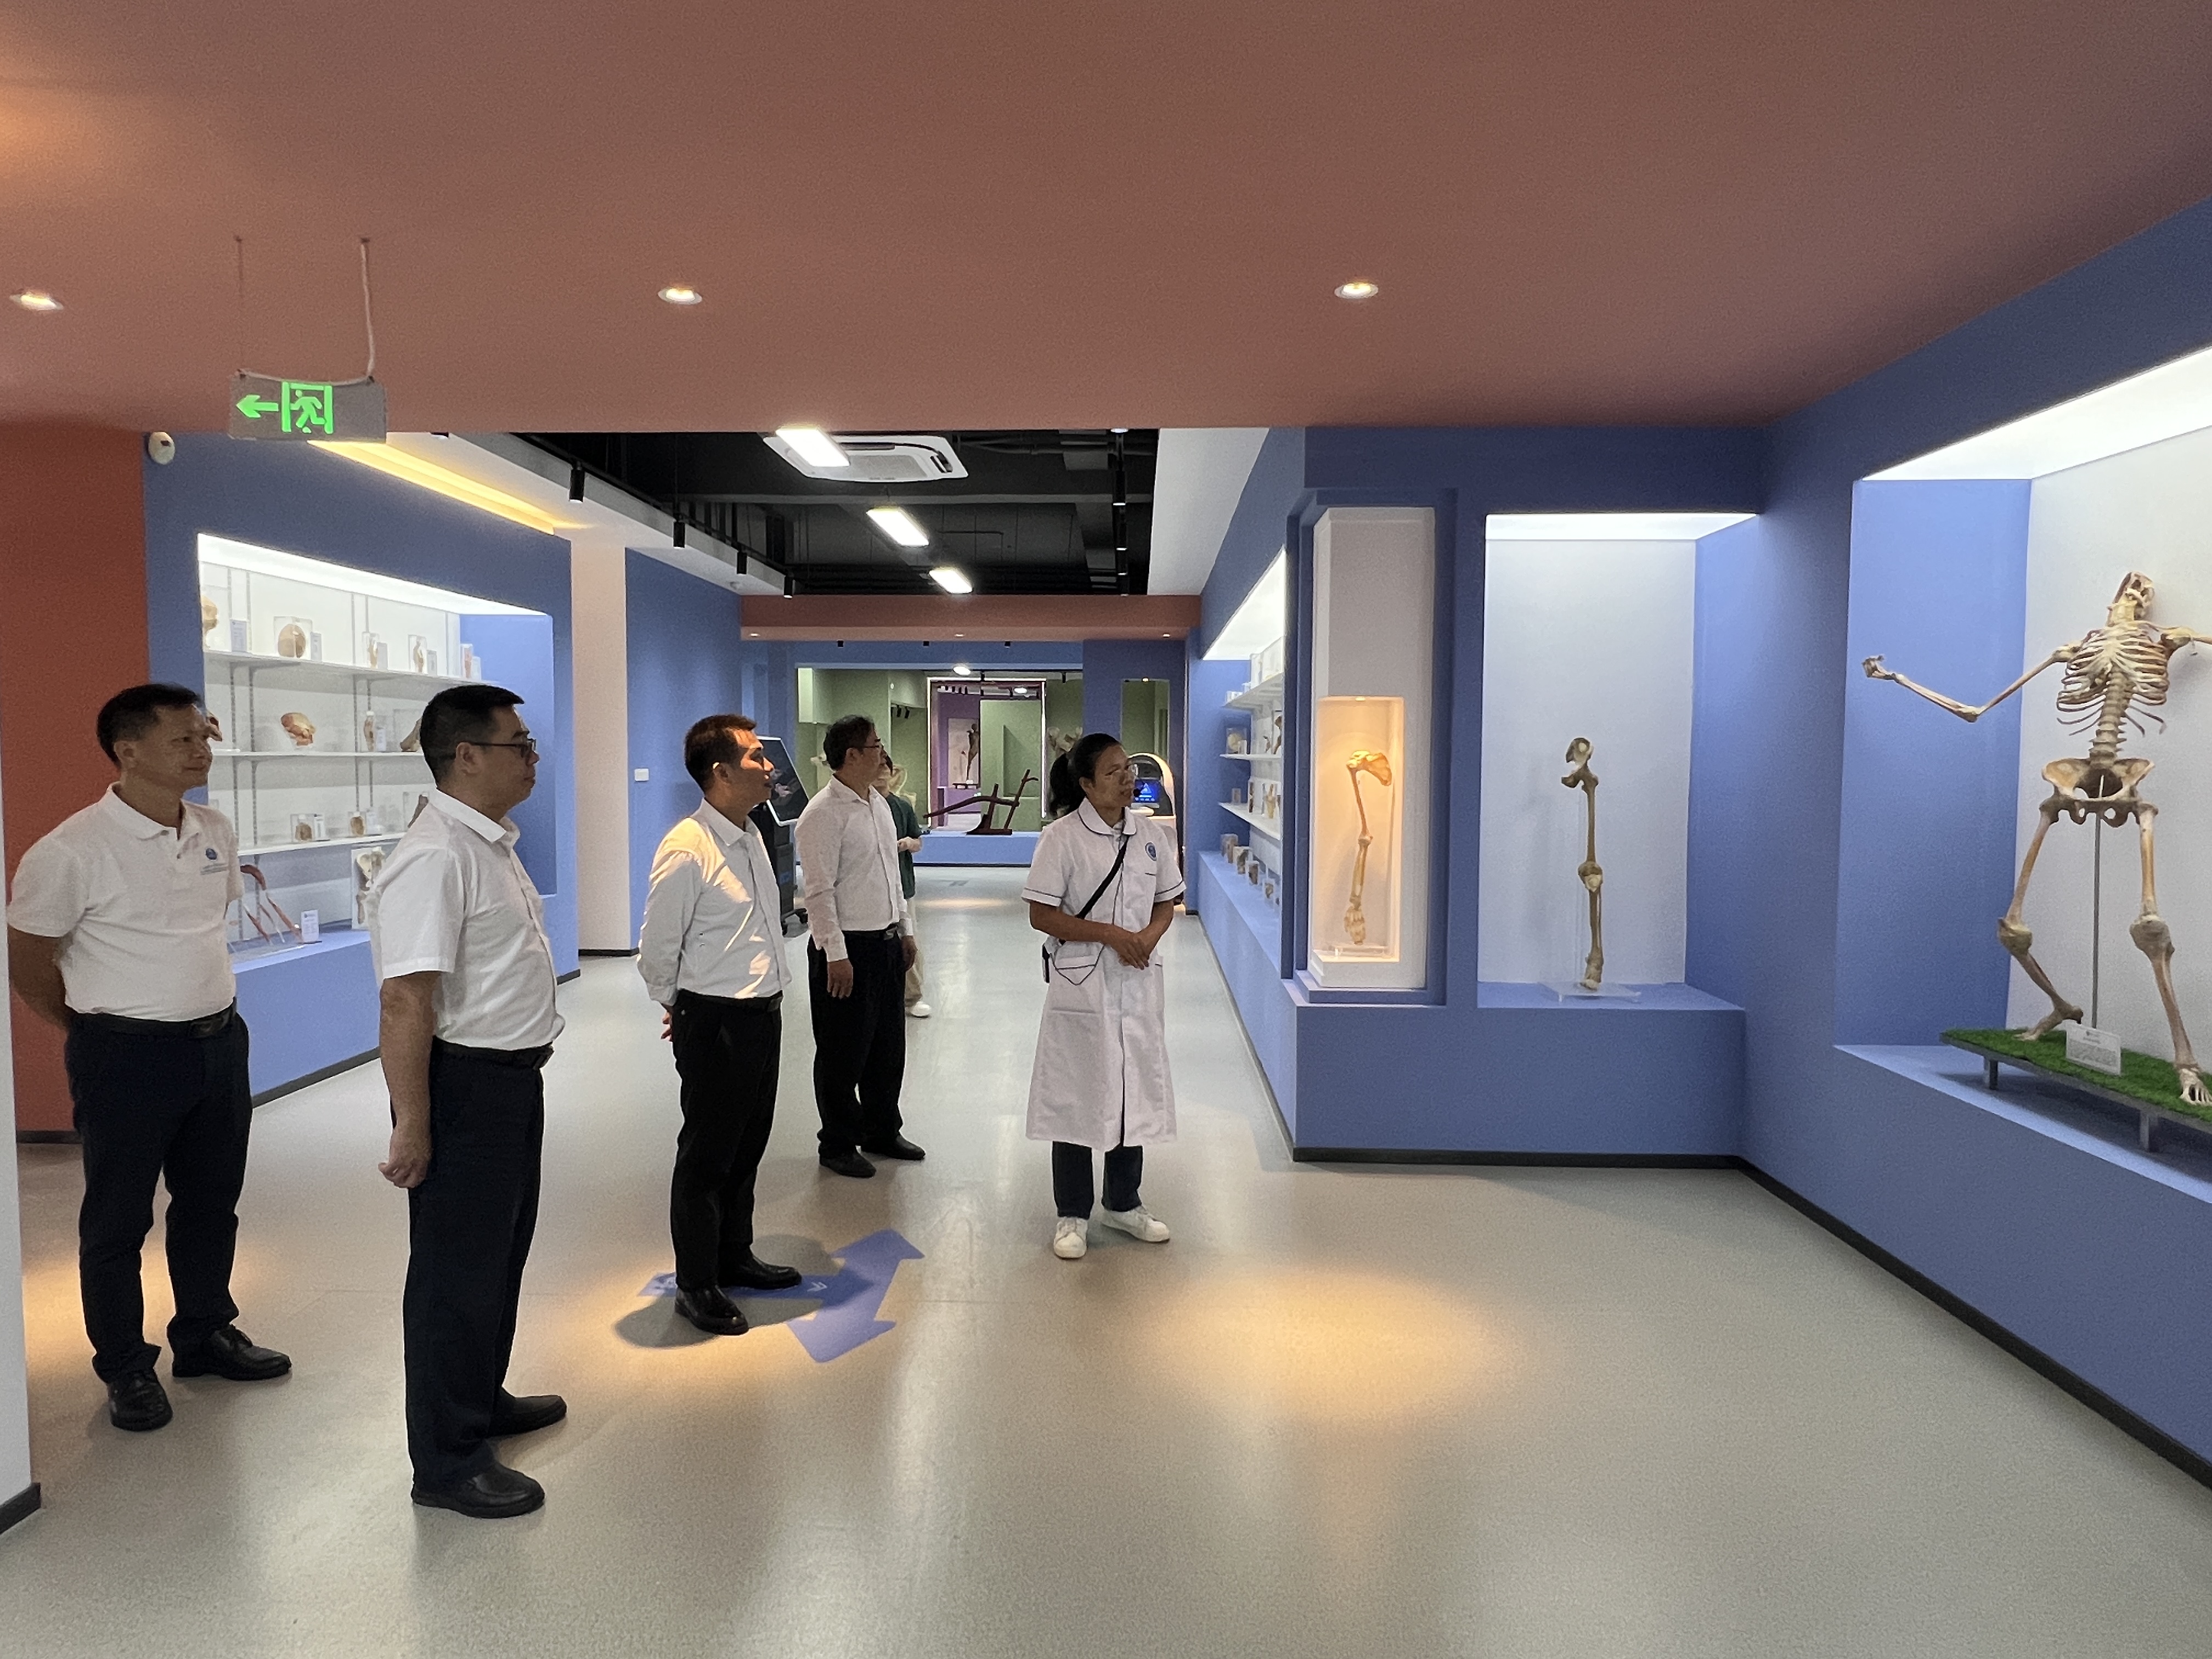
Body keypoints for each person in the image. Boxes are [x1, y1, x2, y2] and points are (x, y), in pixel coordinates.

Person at [5, 684, 290, 1432]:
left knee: (210, 1202)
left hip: (218, 1042)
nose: (201, 751)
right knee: (118, 1219)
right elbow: (29, 959)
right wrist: (89, 1028)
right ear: (129, 752)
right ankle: (126, 1366)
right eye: (183, 740)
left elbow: (203, 926)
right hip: (125, 1054)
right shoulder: (70, 850)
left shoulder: (213, 828)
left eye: (204, 736)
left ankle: (205, 1332)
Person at [370, 684, 566, 1520]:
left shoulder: (488, 842)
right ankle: (446, 1461)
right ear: (466, 756)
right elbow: (406, 999)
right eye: (519, 745)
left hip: (511, 1080)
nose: (532, 759)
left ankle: (480, 1398)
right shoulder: (436, 856)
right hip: (465, 1088)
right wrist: (413, 1120)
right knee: (454, 1275)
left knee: (499, 1256)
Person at [637, 714, 804, 1339]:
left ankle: (735, 1254)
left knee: (747, 1145)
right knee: (707, 1156)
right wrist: (679, 1006)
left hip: (761, 1014)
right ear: (721, 773)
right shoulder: (689, 848)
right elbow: (657, 947)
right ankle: (697, 1282)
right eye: (756, 757)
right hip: (717, 1020)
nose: (769, 766)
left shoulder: (752, 833)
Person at [1023, 733, 1182, 1260]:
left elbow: (1167, 900)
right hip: (1083, 984)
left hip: (1136, 980)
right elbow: (1042, 915)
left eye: (1128, 768)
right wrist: (1113, 935)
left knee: (1131, 1089)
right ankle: (1072, 1212)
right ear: (1087, 785)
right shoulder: (1061, 839)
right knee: (1077, 1092)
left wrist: (1148, 937)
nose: (1127, 778)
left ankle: (1124, 1202)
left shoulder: (1150, 835)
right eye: (1113, 772)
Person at [793, 715, 923, 1178]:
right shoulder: (822, 814)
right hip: (847, 952)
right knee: (842, 1052)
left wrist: (905, 930)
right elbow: (818, 892)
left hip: (885, 944)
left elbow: (893, 876)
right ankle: (838, 1143)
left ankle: (882, 1129)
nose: (882, 755)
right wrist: (836, 954)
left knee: (887, 1048)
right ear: (851, 756)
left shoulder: (879, 806)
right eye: (875, 746)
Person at [874, 749, 932, 1019]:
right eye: (876, 769)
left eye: (884, 769)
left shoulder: (902, 807)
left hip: (903, 886)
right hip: (873, 890)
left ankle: (913, 997)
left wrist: (909, 843)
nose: (880, 774)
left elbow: (918, 841)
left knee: (909, 940)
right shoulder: (863, 806)